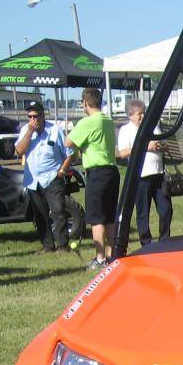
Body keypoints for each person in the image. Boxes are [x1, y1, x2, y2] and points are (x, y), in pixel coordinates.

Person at [65, 87, 118, 269]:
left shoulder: (87, 122)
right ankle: (112, 254)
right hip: (112, 170)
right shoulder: (108, 120)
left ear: (85, 103)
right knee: (110, 215)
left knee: (97, 217)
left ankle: (100, 257)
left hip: (97, 172)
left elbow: (68, 142)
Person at [15, 100, 71, 254]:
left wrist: (62, 171)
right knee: (40, 215)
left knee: (58, 211)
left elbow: (69, 154)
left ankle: (62, 245)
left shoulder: (55, 130)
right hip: (33, 180)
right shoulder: (26, 131)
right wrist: (29, 132)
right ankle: (47, 245)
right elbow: (19, 151)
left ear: (43, 116)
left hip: (52, 177)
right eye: (30, 116)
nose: (33, 120)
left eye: (36, 116)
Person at [116, 98, 172, 246]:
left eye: (144, 113)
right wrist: (146, 147)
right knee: (143, 212)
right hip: (141, 177)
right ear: (130, 115)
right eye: (139, 114)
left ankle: (164, 239)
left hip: (158, 175)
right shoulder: (125, 130)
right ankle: (146, 242)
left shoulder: (153, 127)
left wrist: (161, 146)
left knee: (166, 209)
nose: (142, 116)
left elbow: (165, 145)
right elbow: (123, 153)